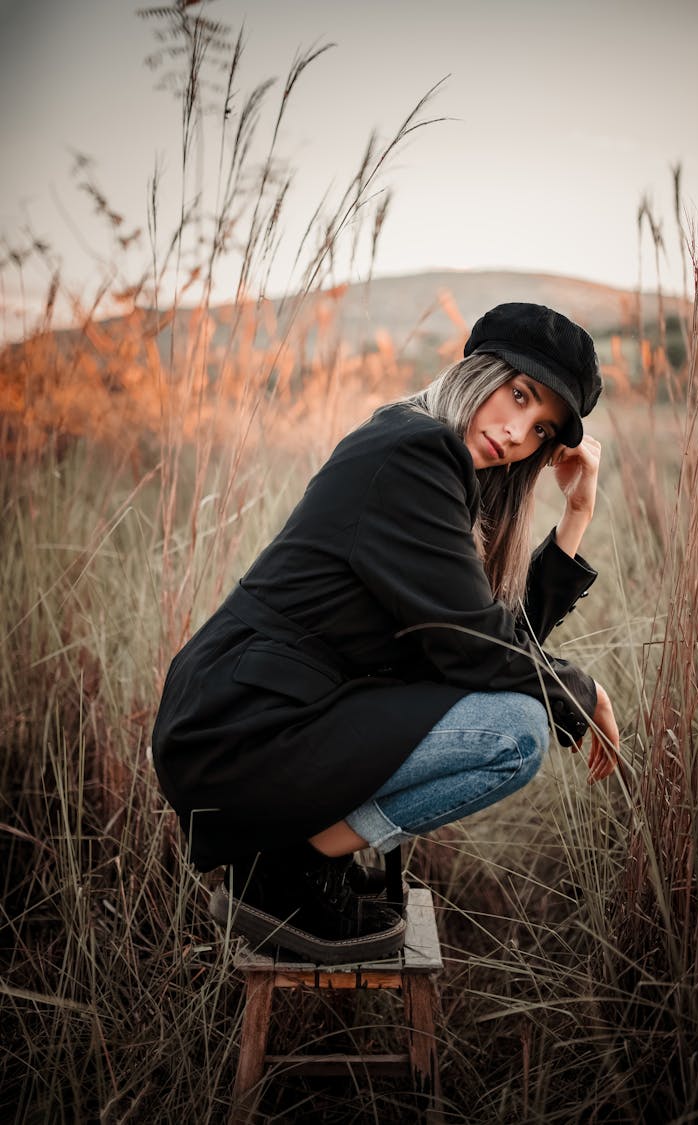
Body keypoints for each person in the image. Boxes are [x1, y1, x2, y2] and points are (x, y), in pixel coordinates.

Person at [151, 302, 620, 964]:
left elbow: (488, 643)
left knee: (514, 707)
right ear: (476, 370)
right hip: (238, 726)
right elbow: (482, 649)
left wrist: (576, 513)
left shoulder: (435, 463)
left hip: (268, 716)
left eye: (542, 428)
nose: (517, 431)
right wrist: (581, 690)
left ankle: (301, 855)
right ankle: (291, 864)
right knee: (516, 732)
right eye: (518, 393)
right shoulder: (415, 453)